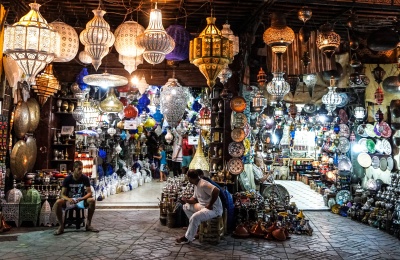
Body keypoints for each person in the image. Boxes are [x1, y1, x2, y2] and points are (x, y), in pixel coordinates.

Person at [175, 169, 223, 244]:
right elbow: (194, 199)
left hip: (214, 209)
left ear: (190, 178)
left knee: (195, 217)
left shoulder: (203, 184)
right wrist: (186, 200)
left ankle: (187, 238)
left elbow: (216, 190)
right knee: (186, 206)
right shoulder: (196, 185)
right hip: (203, 207)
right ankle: (196, 229)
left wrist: (210, 204)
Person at [53, 161, 98, 235]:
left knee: (92, 200)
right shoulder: (68, 179)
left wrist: (82, 198)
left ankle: (88, 225)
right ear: (74, 169)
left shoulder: (85, 178)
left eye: (81, 169)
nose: (81, 171)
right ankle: (61, 226)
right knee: (58, 202)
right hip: (69, 201)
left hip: (80, 201)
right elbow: (62, 194)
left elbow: (89, 193)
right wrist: (68, 199)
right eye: (79, 169)